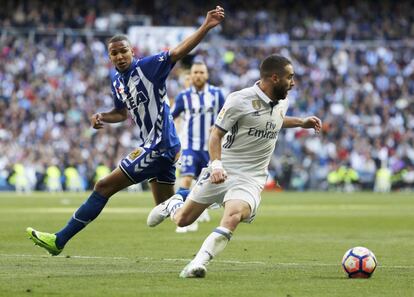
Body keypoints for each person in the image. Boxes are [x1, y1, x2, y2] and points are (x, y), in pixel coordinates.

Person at [26, 6, 225, 256]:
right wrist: (102, 117)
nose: (120, 57)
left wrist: (206, 26)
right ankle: (206, 192)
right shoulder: (117, 82)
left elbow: (177, 52)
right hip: (156, 146)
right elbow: (121, 113)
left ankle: (59, 240)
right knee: (168, 209)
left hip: (159, 145)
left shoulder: (149, 67)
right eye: (114, 53)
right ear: (109, 57)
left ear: (132, 51)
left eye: (123, 51)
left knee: (103, 186)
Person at [147, 54, 322, 278]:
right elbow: (215, 134)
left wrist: (301, 122)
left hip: (252, 178)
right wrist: (217, 164)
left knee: (233, 214)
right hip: (223, 170)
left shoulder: (282, 101)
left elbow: (275, 120)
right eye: (290, 77)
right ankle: (174, 203)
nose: (293, 82)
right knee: (183, 219)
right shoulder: (240, 100)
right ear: (275, 78)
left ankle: (197, 263)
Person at [172, 62, 225, 232]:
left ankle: (196, 212)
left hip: (211, 148)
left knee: (205, 185)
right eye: (195, 72)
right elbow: (170, 117)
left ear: (207, 75)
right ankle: (181, 217)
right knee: (186, 179)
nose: (198, 75)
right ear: (191, 75)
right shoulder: (183, 96)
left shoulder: (217, 95)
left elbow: (227, 115)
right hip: (190, 146)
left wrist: (218, 126)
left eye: (202, 72)